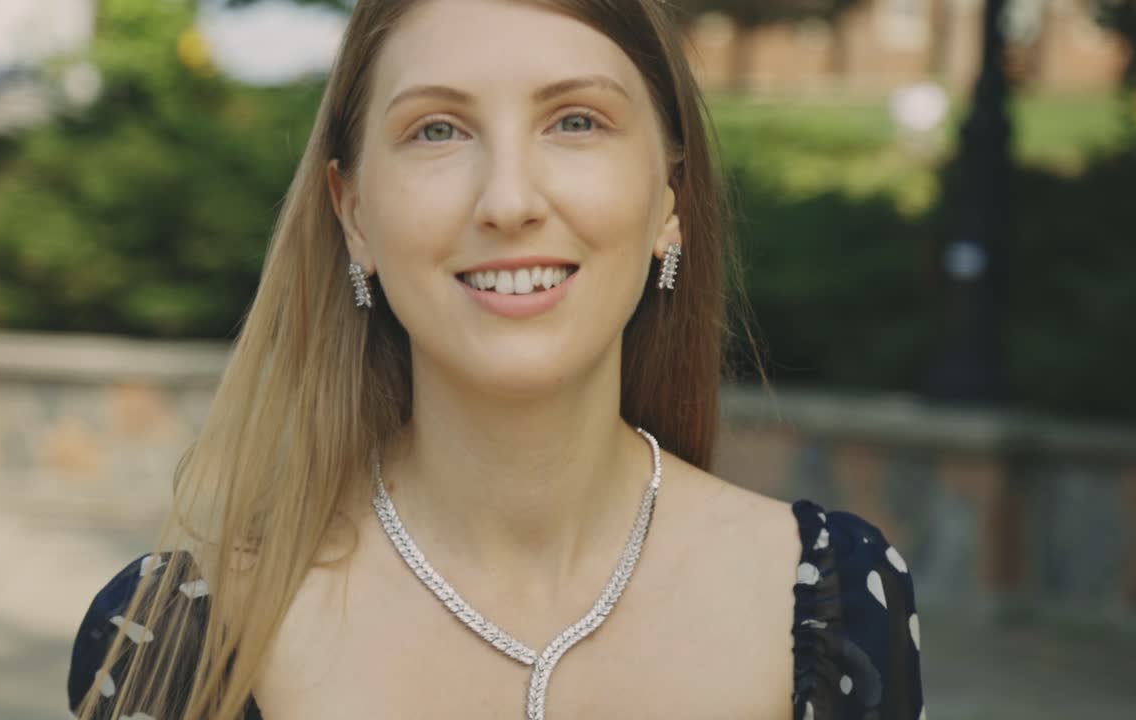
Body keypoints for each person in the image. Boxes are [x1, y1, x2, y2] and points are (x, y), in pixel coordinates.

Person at [67, 1, 925, 718]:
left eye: (576, 121)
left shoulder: (832, 603)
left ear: (672, 199)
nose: (509, 201)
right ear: (354, 212)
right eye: (438, 129)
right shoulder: (174, 643)